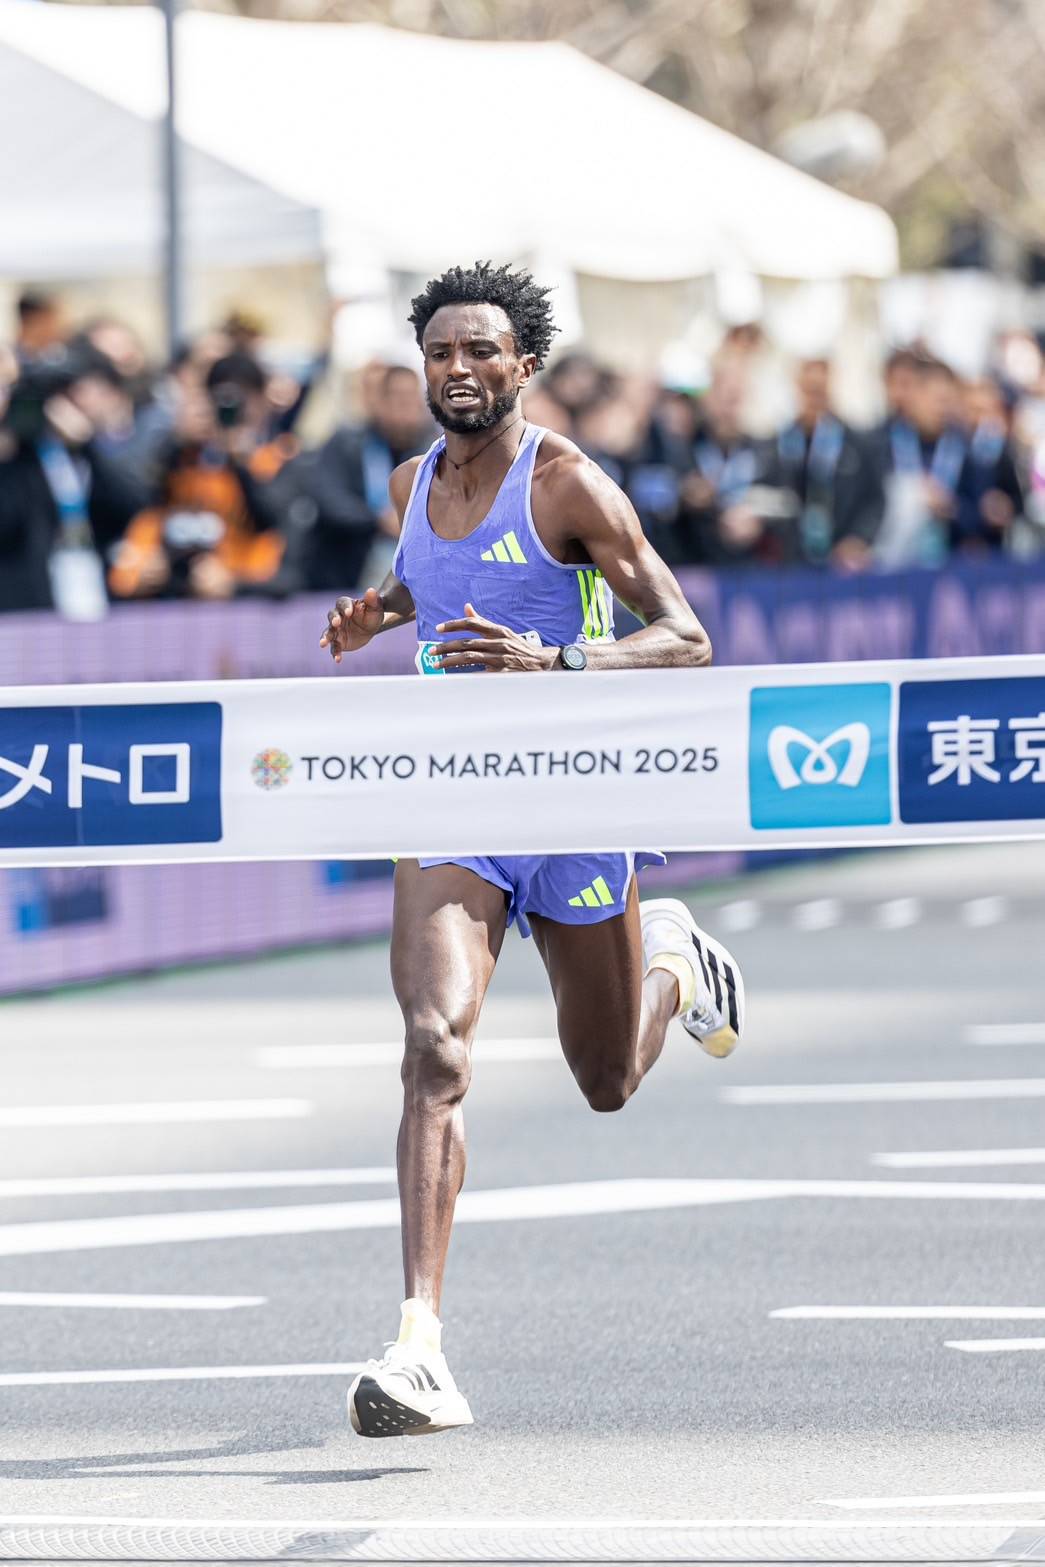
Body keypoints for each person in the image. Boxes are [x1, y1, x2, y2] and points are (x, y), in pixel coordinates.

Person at [319, 262, 746, 1439]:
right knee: (432, 1046)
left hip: (574, 801)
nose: (457, 370)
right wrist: (377, 611)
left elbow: (686, 635)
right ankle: (419, 1348)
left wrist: (553, 664)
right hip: (451, 795)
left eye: (480, 353)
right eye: (439, 353)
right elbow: (427, 579)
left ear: (522, 367)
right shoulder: (409, 480)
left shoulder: (568, 486)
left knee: (606, 1080)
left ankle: (673, 961)